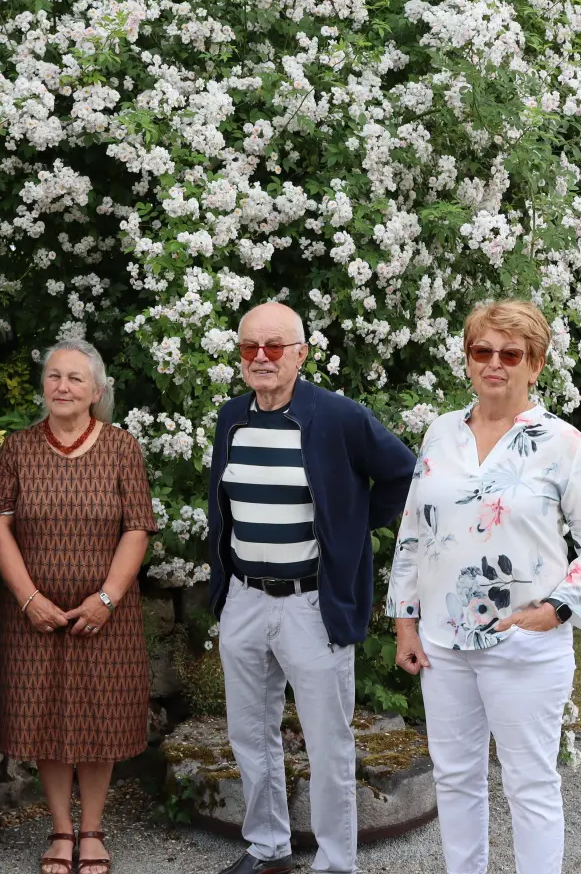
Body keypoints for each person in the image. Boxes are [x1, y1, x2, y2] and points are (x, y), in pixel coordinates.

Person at [389, 300, 581, 874]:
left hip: (524, 645)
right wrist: (405, 622)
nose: (495, 363)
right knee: (456, 779)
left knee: (530, 783)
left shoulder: (562, 443)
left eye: (510, 353)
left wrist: (557, 609)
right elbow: (414, 533)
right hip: (443, 643)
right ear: (468, 359)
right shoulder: (440, 432)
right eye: (482, 351)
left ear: (535, 364)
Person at [207, 302, 418, 874]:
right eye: (250, 347)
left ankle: (334, 863)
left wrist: (354, 525)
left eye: (275, 346)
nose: (261, 358)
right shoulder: (232, 417)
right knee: (249, 732)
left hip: (311, 602)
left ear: (301, 352)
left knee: (329, 742)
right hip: (245, 598)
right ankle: (268, 846)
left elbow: (405, 471)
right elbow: (224, 507)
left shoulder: (338, 416)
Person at [0, 339, 158, 874]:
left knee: (98, 719)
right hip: (34, 616)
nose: (62, 386)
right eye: (54, 376)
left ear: (97, 391)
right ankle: (61, 830)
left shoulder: (121, 446)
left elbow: (138, 526)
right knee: (45, 720)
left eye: (75, 379)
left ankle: (93, 831)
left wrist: (107, 598)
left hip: (105, 615)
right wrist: (28, 598)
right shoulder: (18, 447)